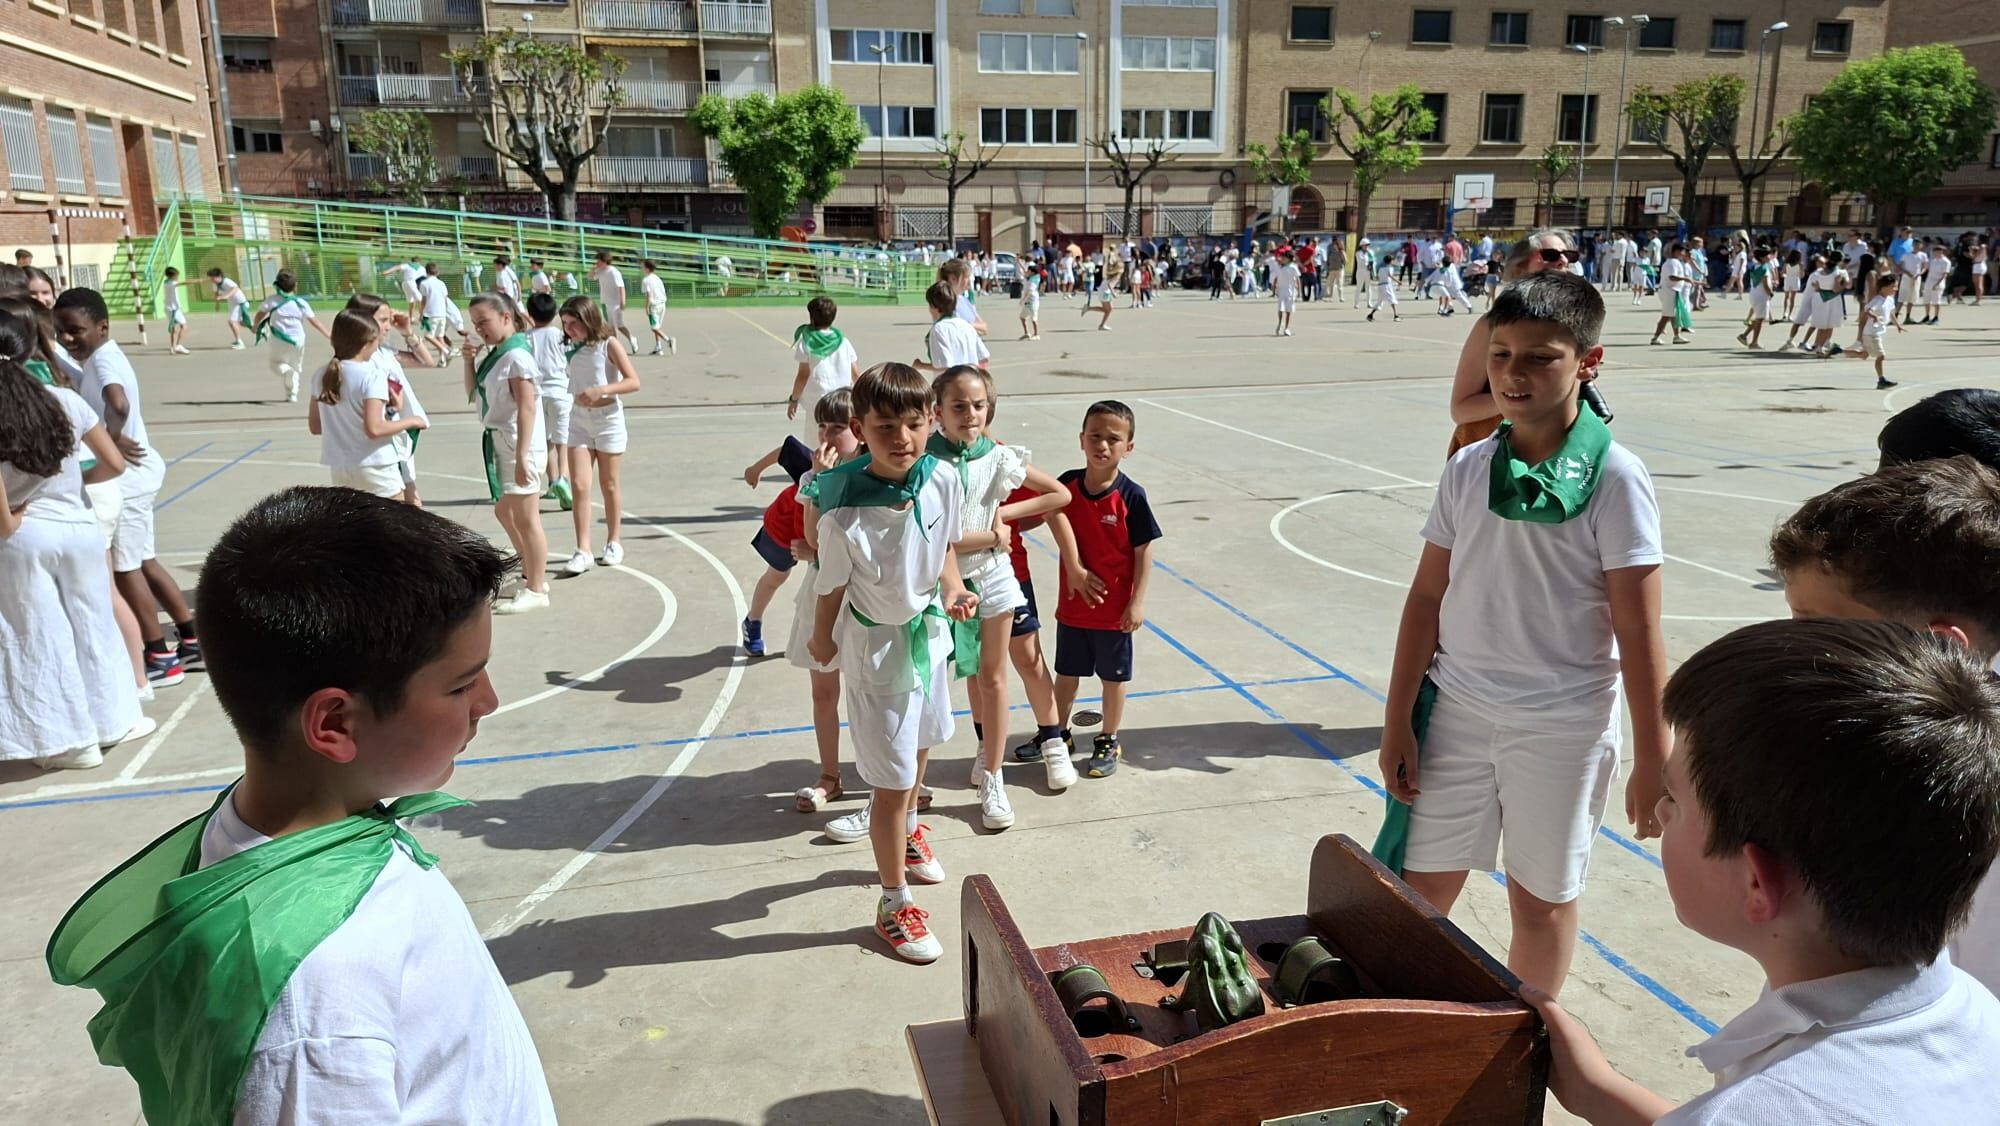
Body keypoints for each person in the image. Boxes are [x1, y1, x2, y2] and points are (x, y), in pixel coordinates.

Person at [47, 486, 560, 1125]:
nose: (489, 701)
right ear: (334, 723)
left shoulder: (304, 825)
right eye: (461, 684)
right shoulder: (313, 1003)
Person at [1525, 618, 2000, 1124]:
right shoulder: (1976, 1013)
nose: (1662, 815)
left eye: (1674, 801)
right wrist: (1599, 1092)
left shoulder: (1754, 1109)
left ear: (1758, 883)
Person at [1380, 271, 1666, 998]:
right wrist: (1397, 721)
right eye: (1501, 354)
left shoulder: (1616, 479)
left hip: (1562, 727)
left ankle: (1525, 1035)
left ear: (1588, 363)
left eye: (1541, 357)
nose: (1513, 373)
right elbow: (1424, 597)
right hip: (1460, 713)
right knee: (1419, 890)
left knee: (1539, 902)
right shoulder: (1470, 467)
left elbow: (1637, 628)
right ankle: (1406, 1023)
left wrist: (1653, 755)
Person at [802, 363, 979, 963]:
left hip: (928, 637)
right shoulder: (844, 509)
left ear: (931, 421)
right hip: (877, 651)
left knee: (923, 748)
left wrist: (952, 591)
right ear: (860, 428)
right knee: (891, 781)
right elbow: (829, 585)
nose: (901, 438)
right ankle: (891, 901)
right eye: (884, 427)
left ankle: (905, 837)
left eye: (912, 423)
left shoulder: (941, 479)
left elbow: (945, 548)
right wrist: (822, 640)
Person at [930, 365, 1076, 829]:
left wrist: (1003, 516)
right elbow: (938, 541)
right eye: (958, 406)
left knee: (994, 677)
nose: (969, 414)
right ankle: (905, 787)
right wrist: (987, 536)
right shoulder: (924, 460)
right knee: (937, 682)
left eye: (977, 405)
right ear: (937, 411)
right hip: (939, 581)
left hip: (992, 578)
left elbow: (1058, 495)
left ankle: (993, 776)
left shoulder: (997, 455)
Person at [0, 310, 146, 770]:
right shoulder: (64, 399)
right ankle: (114, 720)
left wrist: (11, 521)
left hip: (26, 534)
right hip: (79, 528)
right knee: (93, 623)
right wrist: (74, 487)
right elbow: (114, 465)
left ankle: (67, 740)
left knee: (36, 635)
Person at [55, 287, 201, 688]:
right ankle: (189, 638)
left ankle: (159, 654)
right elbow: (85, 379)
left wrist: (108, 439)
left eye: (75, 331)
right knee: (146, 561)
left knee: (125, 569)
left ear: (102, 327)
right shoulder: (100, 358)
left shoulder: (105, 364)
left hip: (129, 479)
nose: (68, 338)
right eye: (60, 332)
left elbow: (116, 403)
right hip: (136, 475)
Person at [1052, 400, 1161, 780]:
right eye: (1095, 436)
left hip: (1113, 612)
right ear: (1081, 439)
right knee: (1066, 674)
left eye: (1113, 439)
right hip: (1073, 607)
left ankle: (1108, 738)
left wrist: (1136, 603)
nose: (1102, 445)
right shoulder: (1065, 486)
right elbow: (1038, 511)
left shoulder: (1131, 496)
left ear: (1128, 448)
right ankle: (1056, 734)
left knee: (1113, 679)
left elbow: (1144, 551)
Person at [782, 390, 862, 810]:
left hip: (864, 595)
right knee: (823, 690)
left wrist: (817, 551)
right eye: (824, 425)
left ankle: (888, 775)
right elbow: (812, 538)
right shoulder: (815, 477)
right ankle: (829, 775)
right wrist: (818, 482)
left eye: (840, 426)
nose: (830, 434)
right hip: (822, 592)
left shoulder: (874, 472)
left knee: (870, 689)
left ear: (860, 429)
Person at [1447, 230, 1581, 454]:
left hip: (1556, 451)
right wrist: (1521, 399)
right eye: (1550, 255)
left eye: (1569, 255)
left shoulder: (1572, 325)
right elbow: (1461, 409)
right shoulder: (1492, 325)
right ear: (1521, 266)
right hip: (1497, 452)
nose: (1563, 261)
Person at [463, 292, 550, 614]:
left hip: (518, 443)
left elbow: (527, 407)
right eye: (475, 323)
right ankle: (530, 573)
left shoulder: (517, 357)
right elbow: (472, 393)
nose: (480, 328)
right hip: (505, 441)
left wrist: (524, 456)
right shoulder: (498, 353)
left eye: (484, 321)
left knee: (527, 518)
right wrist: (467, 360)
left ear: (505, 317)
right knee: (505, 512)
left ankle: (538, 588)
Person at [307, 308, 427, 498]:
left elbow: (315, 426)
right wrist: (412, 421)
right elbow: (374, 429)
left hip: (340, 467)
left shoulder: (320, 375)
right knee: (394, 523)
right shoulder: (372, 376)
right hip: (376, 465)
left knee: (358, 523)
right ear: (368, 343)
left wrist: (391, 411)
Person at [557, 296, 639, 576]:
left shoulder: (608, 344)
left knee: (609, 484)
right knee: (579, 485)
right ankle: (583, 550)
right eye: (565, 324)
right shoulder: (569, 347)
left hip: (608, 421)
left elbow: (633, 381)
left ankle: (614, 542)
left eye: (573, 324)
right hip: (578, 420)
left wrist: (602, 390)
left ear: (588, 319)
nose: (569, 330)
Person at [344, 293, 435, 507]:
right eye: (383, 320)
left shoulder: (384, 351)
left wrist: (408, 333)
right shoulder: (362, 361)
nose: (388, 326)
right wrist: (399, 413)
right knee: (409, 505)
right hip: (387, 439)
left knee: (411, 502)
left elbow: (427, 361)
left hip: (399, 436)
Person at [522, 293, 573, 513]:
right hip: (560, 390)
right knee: (563, 441)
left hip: (537, 392)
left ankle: (553, 481)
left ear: (530, 314)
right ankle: (563, 477)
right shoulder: (561, 335)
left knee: (547, 440)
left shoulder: (526, 337)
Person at [789, 296, 859, 446]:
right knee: (841, 437)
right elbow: (855, 373)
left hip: (818, 400)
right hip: (842, 399)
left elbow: (802, 376)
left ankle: (818, 467)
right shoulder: (842, 340)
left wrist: (793, 399)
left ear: (812, 317)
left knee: (816, 440)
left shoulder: (807, 341)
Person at [253, 271, 331, 404]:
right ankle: (292, 394)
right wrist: (328, 334)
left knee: (275, 364)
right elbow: (314, 321)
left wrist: (255, 326)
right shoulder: (301, 303)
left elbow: (260, 314)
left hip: (278, 339)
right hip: (298, 340)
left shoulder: (272, 300)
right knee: (296, 366)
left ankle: (286, 372)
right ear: (295, 286)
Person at [918, 281, 989, 372]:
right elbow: (984, 357)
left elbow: (945, 366)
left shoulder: (938, 329)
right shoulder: (966, 325)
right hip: (971, 380)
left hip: (950, 384)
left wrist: (920, 365)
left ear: (934, 307)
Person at [1848, 273, 1903, 390]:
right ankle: (1881, 380)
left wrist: (1897, 324)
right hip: (1872, 333)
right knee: (1881, 356)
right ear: (1884, 287)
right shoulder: (1878, 300)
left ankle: (1838, 351)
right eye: (1893, 286)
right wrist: (1875, 317)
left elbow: (1891, 313)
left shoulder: (1889, 300)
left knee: (1864, 355)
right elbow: (1867, 310)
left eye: (1896, 286)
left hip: (1876, 332)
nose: (1895, 289)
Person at [1803, 253, 1853, 357]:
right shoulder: (1840, 273)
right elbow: (1838, 288)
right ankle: (1820, 347)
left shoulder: (1819, 271)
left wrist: (1821, 288)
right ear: (1840, 261)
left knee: (1821, 324)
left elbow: (1815, 286)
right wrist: (1843, 283)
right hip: (1832, 299)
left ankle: (1818, 345)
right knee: (1829, 325)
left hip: (1819, 298)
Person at [591, 250, 638, 353]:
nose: (596, 263)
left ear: (604, 261)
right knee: (610, 327)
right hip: (605, 303)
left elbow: (621, 287)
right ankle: (616, 349)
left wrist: (623, 301)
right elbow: (590, 277)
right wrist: (593, 270)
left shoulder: (614, 272)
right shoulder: (599, 271)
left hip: (615, 303)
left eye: (598, 261)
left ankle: (632, 339)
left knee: (620, 326)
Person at [1649, 242, 1694, 346]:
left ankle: (1676, 336)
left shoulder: (1674, 262)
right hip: (1669, 291)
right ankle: (1655, 337)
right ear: (1677, 252)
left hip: (1673, 290)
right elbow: (1671, 277)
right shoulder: (1672, 262)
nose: (1684, 254)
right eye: (1682, 252)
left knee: (1674, 315)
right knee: (1666, 316)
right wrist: (1685, 278)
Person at [1736, 246, 1777, 350]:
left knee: (1759, 318)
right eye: (1767, 255)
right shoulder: (1764, 269)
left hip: (1754, 294)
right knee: (1760, 320)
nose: (1769, 256)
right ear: (1762, 258)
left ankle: (1744, 336)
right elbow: (1766, 285)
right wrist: (1771, 293)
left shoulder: (1755, 266)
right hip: (1761, 295)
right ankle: (1754, 342)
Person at [636, 258, 675, 356]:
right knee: (657, 326)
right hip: (662, 304)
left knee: (654, 328)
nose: (642, 268)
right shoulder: (657, 278)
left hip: (654, 306)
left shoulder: (646, 280)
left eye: (643, 266)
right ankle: (658, 347)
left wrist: (647, 307)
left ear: (647, 268)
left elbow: (648, 295)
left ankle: (669, 340)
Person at [207, 267, 251, 350]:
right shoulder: (216, 285)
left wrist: (225, 296)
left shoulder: (226, 281)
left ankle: (239, 342)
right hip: (233, 305)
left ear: (218, 276)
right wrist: (217, 305)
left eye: (212, 278)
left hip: (240, 303)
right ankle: (261, 329)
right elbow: (217, 295)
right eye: (210, 278)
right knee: (242, 323)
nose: (211, 280)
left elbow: (235, 288)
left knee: (232, 321)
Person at [418, 263, 453, 363]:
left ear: (426, 271)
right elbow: (445, 299)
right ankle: (442, 359)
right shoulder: (442, 283)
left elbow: (423, 300)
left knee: (428, 336)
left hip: (431, 313)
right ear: (437, 272)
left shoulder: (424, 284)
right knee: (440, 336)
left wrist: (421, 313)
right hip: (442, 313)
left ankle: (446, 350)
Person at [381, 258, 424, 323]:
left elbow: (397, 267)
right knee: (420, 299)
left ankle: (411, 318)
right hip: (412, 283)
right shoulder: (421, 268)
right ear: (419, 262)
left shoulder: (407, 265)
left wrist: (387, 272)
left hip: (405, 284)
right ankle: (422, 317)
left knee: (412, 301)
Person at [1270, 248, 1301, 337]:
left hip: (1291, 291)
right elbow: (1276, 277)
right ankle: (1279, 324)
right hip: (1281, 290)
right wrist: (1274, 286)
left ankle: (1287, 328)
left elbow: (1298, 279)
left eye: (1284, 257)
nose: (1282, 259)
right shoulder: (1280, 267)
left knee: (1288, 310)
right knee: (1281, 308)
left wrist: (1299, 291)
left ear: (1289, 258)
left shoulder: (1293, 267)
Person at [160, 266, 189, 355]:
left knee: (174, 329)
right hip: (173, 310)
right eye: (176, 275)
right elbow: (184, 283)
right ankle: (178, 346)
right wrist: (198, 281)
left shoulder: (167, 282)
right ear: (172, 276)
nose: (177, 277)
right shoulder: (171, 283)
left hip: (172, 309)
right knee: (184, 326)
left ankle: (173, 347)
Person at [1017, 261, 1042, 340]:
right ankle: (1027, 333)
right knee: (1022, 317)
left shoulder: (1033, 281)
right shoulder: (1031, 276)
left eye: (1028, 271)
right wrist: (1019, 263)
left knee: (1034, 319)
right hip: (1028, 302)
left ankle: (1036, 335)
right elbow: (1025, 270)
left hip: (1033, 301)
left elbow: (1029, 292)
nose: (1026, 272)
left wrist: (1022, 300)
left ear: (1032, 272)